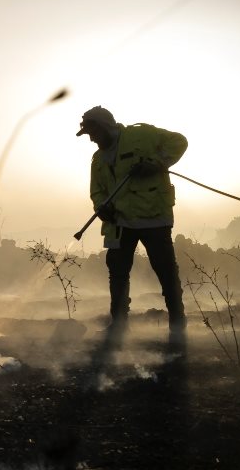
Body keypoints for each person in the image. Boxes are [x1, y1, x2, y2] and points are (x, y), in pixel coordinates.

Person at [76, 106, 188, 347]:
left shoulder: (142, 135)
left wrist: (157, 164)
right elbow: (97, 191)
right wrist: (101, 206)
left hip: (153, 218)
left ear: (105, 126)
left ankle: (177, 327)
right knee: (117, 274)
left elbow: (180, 142)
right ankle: (118, 325)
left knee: (166, 272)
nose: (91, 138)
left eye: (93, 132)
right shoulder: (97, 160)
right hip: (119, 223)